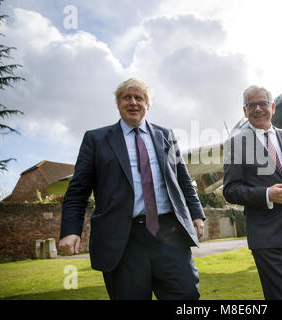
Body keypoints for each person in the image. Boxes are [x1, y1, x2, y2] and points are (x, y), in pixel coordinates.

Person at [59, 78, 205, 300]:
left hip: (169, 233)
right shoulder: (95, 140)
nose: (133, 102)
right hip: (122, 239)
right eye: (127, 97)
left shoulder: (166, 136)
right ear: (118, 104)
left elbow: (184, 181)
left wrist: (196, 215)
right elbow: (77, 191)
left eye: (139, 98)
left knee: (186, 295)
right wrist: (71, 230)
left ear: (148, 105)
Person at [223, 85, 282, 300]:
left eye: (263, 104)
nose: (258, 109)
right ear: (244, 111)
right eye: (251, 105)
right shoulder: (236, 144)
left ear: (273, 107)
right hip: (266, 235)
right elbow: (230, 190)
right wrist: (267, 194)